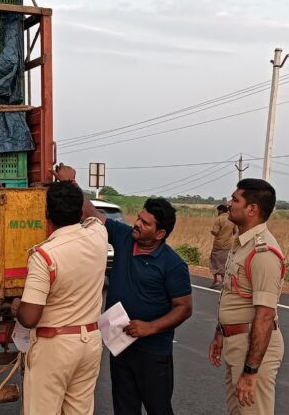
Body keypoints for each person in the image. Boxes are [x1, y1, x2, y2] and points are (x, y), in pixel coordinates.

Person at [53, 163, 192, 415]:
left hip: (153, 353)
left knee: (158, 409)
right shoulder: (125, 237)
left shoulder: (173, 264)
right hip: (121, 345)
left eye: (145, 223)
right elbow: (92, 213)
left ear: (160, 233)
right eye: (138, 217)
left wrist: (149, 327)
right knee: (124, 408)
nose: (137, 224)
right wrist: (71, 184)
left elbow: (184, 308)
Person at [11, 182, 108, 415]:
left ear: (47, 214)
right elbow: (97, 216)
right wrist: (72, 181)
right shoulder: (98, 235)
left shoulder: (44, 255)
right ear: (80, 211)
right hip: (90, 342)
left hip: (54, 346)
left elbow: (30, 317)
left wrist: (17, 307)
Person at [208, 179, 285, 415]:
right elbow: (233, 295)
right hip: (237, 343)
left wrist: (251, 371)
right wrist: (220, 333)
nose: (229, 203)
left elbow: (265, 315)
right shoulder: (243, 243)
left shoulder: (263, 252)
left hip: (251, 346)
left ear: (252, 209)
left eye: (235, 199)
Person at [210, 204, 237, 288]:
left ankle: (216, 280)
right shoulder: (232, 219)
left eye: (218, 210)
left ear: (221, 210)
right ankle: (224, 281)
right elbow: (235, 232)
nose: (217, 212)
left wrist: (212, 232)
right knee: (225, 262)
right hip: (228, 245)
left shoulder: (219, 219)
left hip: (218, 245)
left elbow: (215, 231)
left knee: (214, 261)